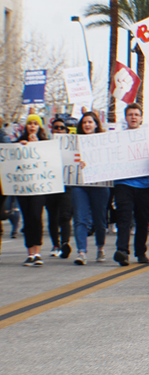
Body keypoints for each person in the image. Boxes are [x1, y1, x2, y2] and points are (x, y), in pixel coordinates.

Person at [112, 104, 149, 266]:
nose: (133, 117)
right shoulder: (118, 138)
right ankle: (122, 250)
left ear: (141, 118)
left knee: (142, 220)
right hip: (124, 183)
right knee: (124, 218)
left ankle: (141, 252)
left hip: (144, 185)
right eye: (130, 114)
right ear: (126, 117)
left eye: (136, 114)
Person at [73, 111, 111, 266]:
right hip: (79, 184)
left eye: (90, 122)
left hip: (99, 185)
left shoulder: (105, 142)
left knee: (99, 218)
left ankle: (100, 248)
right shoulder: (73, 143)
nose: (87, 125)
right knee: (80, 218)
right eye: (84, 122)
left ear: (96, 124)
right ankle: (81, 252)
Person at [15, 115, 50, 266]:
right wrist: (20, 147)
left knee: (36, 216)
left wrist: (38, 147)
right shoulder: (19, 142)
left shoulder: (45, 143)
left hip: (39, 187)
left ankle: (38, 251)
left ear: (39, 127)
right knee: (27, 218)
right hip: (23, 188)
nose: (32, 126)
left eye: (35, 124)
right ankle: (30, 253)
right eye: (30, 124)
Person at [47, 118, 73, 259]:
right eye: (56, 127)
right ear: (52, 130)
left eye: (61, 127)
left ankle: (64, 244)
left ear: (66, 130)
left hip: (66, 184)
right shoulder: (45, 144)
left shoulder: (71, 145)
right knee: (52, 216)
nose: (58, 130)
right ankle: (55, 244)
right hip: (50, 185)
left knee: (65, 215)